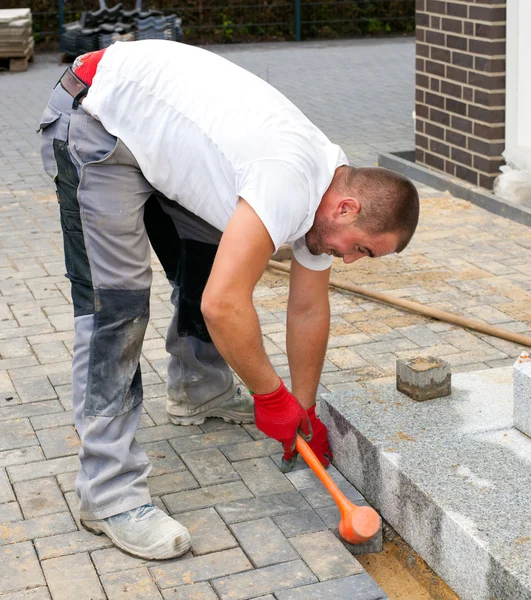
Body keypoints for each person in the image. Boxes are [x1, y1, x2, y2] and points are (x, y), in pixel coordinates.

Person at [38, 39, 419, 561]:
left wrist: (300, 408)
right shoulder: (289, 182)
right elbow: (223, 305)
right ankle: (107, 494)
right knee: (117, 309)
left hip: (149, 120)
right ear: (349, 208)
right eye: (360, 250)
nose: (348, 260)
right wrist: (270, 396)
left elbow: (308, 307)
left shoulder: (328, 197)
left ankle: (201, 388)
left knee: (214, 254)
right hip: (98, 117)